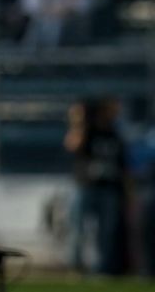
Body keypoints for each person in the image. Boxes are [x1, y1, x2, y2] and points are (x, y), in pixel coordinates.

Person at [64, 98, 129, 275]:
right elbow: (72, 145)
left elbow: (123, 165)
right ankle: (75, 266)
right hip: (86, 186)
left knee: (106, 233)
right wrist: (78, 121)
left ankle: (102, 269)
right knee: (78, 228)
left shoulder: (115, 133)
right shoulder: (88, 131)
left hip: (109, 189)